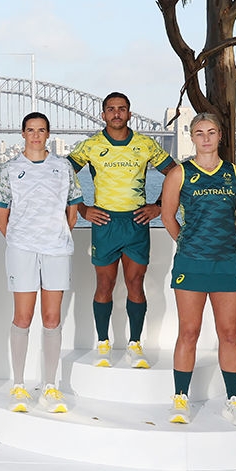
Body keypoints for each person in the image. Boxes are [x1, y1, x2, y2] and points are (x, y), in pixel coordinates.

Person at [69, 92, 176, 368]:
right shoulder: (91, 146)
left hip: (136, 222)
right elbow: (61, 175)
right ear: (103, 115)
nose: (117, 113)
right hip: (105, 223)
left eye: (122, 109)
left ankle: (135, 344)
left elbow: (176, 175)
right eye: (111, 109)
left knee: (135, 284)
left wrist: (159, 207)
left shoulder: (145, 144)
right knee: (104, 284)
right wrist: (82, 209)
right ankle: (103, 342)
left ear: (129, 113)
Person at [159, 113, 236, 426]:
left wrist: (218, 241)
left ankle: (234, 400)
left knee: (229, 334)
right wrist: (189, 243)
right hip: (191, 263)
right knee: (189, 332)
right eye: (200, 133)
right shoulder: (179, 174)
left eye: (212, 132)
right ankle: (180, 398)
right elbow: (168, 215)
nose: (206, 138)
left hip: (226, 262)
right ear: (192, 136)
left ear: (221, 135)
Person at [0, 112, 83, 414]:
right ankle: (18, 385)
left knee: (52, 319)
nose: (35, 135)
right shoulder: (9, 169)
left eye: (41, 130)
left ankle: (50, 386)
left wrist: (54, 236)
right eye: (30, 130)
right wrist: (22, 239)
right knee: (22, 317)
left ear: (48, 134)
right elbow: (2, 216)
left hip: (56, 250)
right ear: (22, 133)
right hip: (22, 250)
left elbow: (72, 210)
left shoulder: (63, 167)